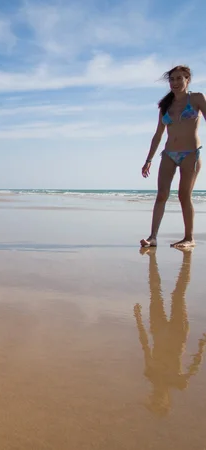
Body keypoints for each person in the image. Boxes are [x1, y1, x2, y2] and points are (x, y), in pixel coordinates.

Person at [133, 247, 206, 416]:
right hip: (177, 335)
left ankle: (157, 260)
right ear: (167, 401)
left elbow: (145, 345)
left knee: (156, 292)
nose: (156, 398)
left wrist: (138, 319)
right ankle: (184, 264)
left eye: (153, 401)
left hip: (158, 331)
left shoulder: (150, 374)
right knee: (177, 295)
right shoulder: (178, 382)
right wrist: (202, 347)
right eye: (159, 402)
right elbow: (194, 367)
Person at [141, 65, 206, 248]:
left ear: (187, 80)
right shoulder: (165, 105)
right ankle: (153, 237)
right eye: (172, 79)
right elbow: (158, 135)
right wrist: (148, 160)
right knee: (161, 195)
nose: (175, 83)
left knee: (184, 196)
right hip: (169, 154)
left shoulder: (197, 98)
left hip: (191, 154)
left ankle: (189, 238)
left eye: (179, 78)